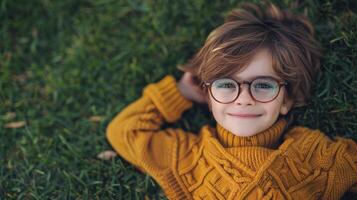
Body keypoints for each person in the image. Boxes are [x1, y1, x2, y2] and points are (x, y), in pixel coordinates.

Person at [106, 2, 357, 199]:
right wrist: (180, 92)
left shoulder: (317, 157)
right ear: (208, 95)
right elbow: (125, 131)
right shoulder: (186, 157)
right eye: (226, 84)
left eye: (263, 85)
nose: (244, 99)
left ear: (286, 100)